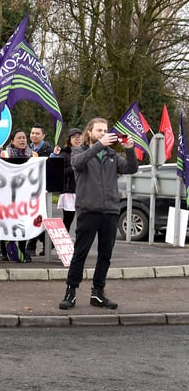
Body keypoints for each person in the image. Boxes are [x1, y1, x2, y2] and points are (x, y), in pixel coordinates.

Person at [59, 118, 138, 310]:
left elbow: (131, 168)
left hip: (110, 210)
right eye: (99, 130)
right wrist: (98, 146)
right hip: (88, 210)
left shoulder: (112, 155)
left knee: (105, 254)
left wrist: (129, 149)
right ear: (90, 132)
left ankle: (98, 293)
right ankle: (71, 292)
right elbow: (77, 163)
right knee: (80, 253)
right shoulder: (80, 151)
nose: (103, 133)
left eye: (105, 131)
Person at [0, 129, 37, 262]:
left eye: (24, 138)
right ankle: (4, 251)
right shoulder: (4, 153)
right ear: (12, 141)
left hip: (26, 195)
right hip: (7, 195)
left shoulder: (34, 155)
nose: (22, 140)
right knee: (6, 223)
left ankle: (21, 250)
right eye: (19, 138)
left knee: (23, 223)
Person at [26, 124, 54, 257]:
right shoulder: (27, 148)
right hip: (29, 187)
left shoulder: (48, 150)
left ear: (43, 136)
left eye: (37, 133)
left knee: (38, 217)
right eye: (32, 133)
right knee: (33, 217)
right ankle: (49, 242)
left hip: (42, 186)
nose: (34, 136)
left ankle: (31, 246)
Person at [51, 127, 83, 232]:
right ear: (69, 140)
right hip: (70, 192)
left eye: (79, 137)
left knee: (83, 222)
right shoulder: (64, 154)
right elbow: (59, 173)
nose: (77, 139)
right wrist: (73, 167)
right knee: (68, 221)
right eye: (74, 137)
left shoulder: (86, 152)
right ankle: (57, 245)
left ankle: (77, 246)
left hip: (84, 192)